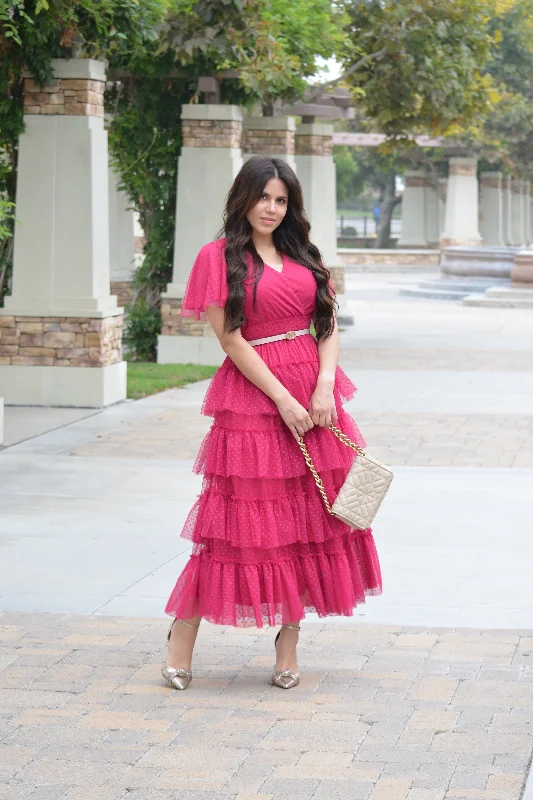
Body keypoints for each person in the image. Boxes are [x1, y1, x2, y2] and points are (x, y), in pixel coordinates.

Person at [162, 156, 382, 691]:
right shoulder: (217, 258)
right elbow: (231, 338)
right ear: (244, 198)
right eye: (263, 197)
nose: (272, 208)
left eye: (281, 199)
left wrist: (325, 385)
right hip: (257, 399)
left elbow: (326, 323)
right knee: (239, 526)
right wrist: (284, 399)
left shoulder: (303, 255)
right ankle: (182, 636)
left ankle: (289, 643)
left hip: (317, 396)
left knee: (310, 521)